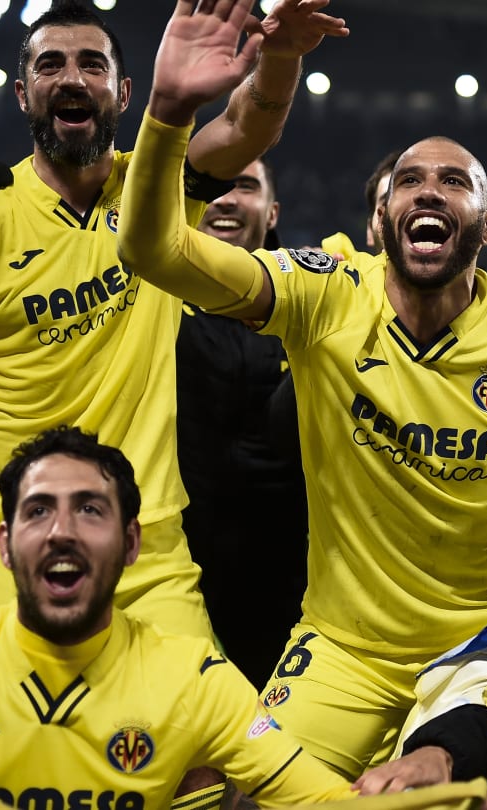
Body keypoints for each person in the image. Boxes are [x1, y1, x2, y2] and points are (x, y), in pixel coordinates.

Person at [116, 1, 487, 782]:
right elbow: (153, 251)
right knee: (248, 792)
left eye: (453, 182)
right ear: (381, 219)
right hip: (340, 650)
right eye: (408, 181)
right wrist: (168, 111)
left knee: (446, 791)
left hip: (483, 644)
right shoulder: (325, 292)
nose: (428, 191)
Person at [0, 0, 345, 640]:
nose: (72, 78)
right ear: (23, 94)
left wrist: (280, 58)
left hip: (148, 551)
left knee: (203, 708)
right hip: (12, 540)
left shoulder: (156, 190)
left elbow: (246, 127)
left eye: (92, 64)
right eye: (50, 65)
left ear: (123, 92)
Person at [0, 427, 357, 807]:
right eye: (38, 509)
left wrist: (410, 777)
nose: (61, 531)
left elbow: (324, 801)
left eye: (90, 509)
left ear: (131, 543)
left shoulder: (195, 679)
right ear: (5, 545)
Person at [175, 154, 307, 683]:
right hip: (178, 557)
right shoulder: (151, 293)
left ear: (272, 213)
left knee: (282, 714)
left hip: (294, 567)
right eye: (216, 186)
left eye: (246, 186)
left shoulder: (313, 301)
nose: (227, 199)